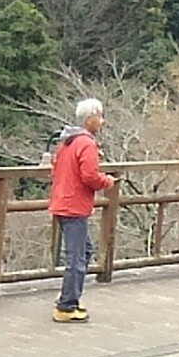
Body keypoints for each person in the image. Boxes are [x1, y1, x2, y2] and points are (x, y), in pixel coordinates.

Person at [48, 98, 115, 323]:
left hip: (62, 201)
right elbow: (89, 176)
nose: (102, 121)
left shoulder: (66, 141)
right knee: (76, 258)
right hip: (74, 206)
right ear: (90, 119)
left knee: (84, 251)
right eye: (100, 116)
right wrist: (106, 181)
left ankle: (69, 295)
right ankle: (67, 306)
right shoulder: (86, 143)